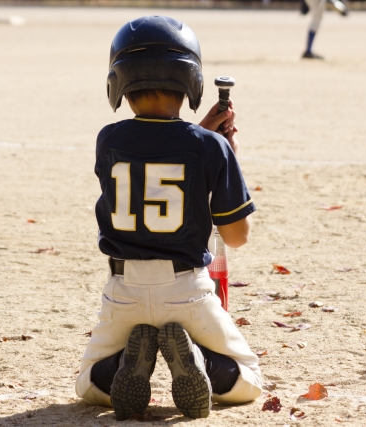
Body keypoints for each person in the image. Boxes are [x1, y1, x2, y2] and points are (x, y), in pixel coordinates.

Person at [74, 15, 262, 421]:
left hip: (123, 291)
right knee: (248, 379)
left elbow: (155, 152)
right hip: (186, 292)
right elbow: (236, 237)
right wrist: (219, 150)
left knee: (88, 384)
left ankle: (126, 361)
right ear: (191, 81)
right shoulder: (210, 146)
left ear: (118, 82)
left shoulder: (108, 139)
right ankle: (201, 361)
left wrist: (204, 141)